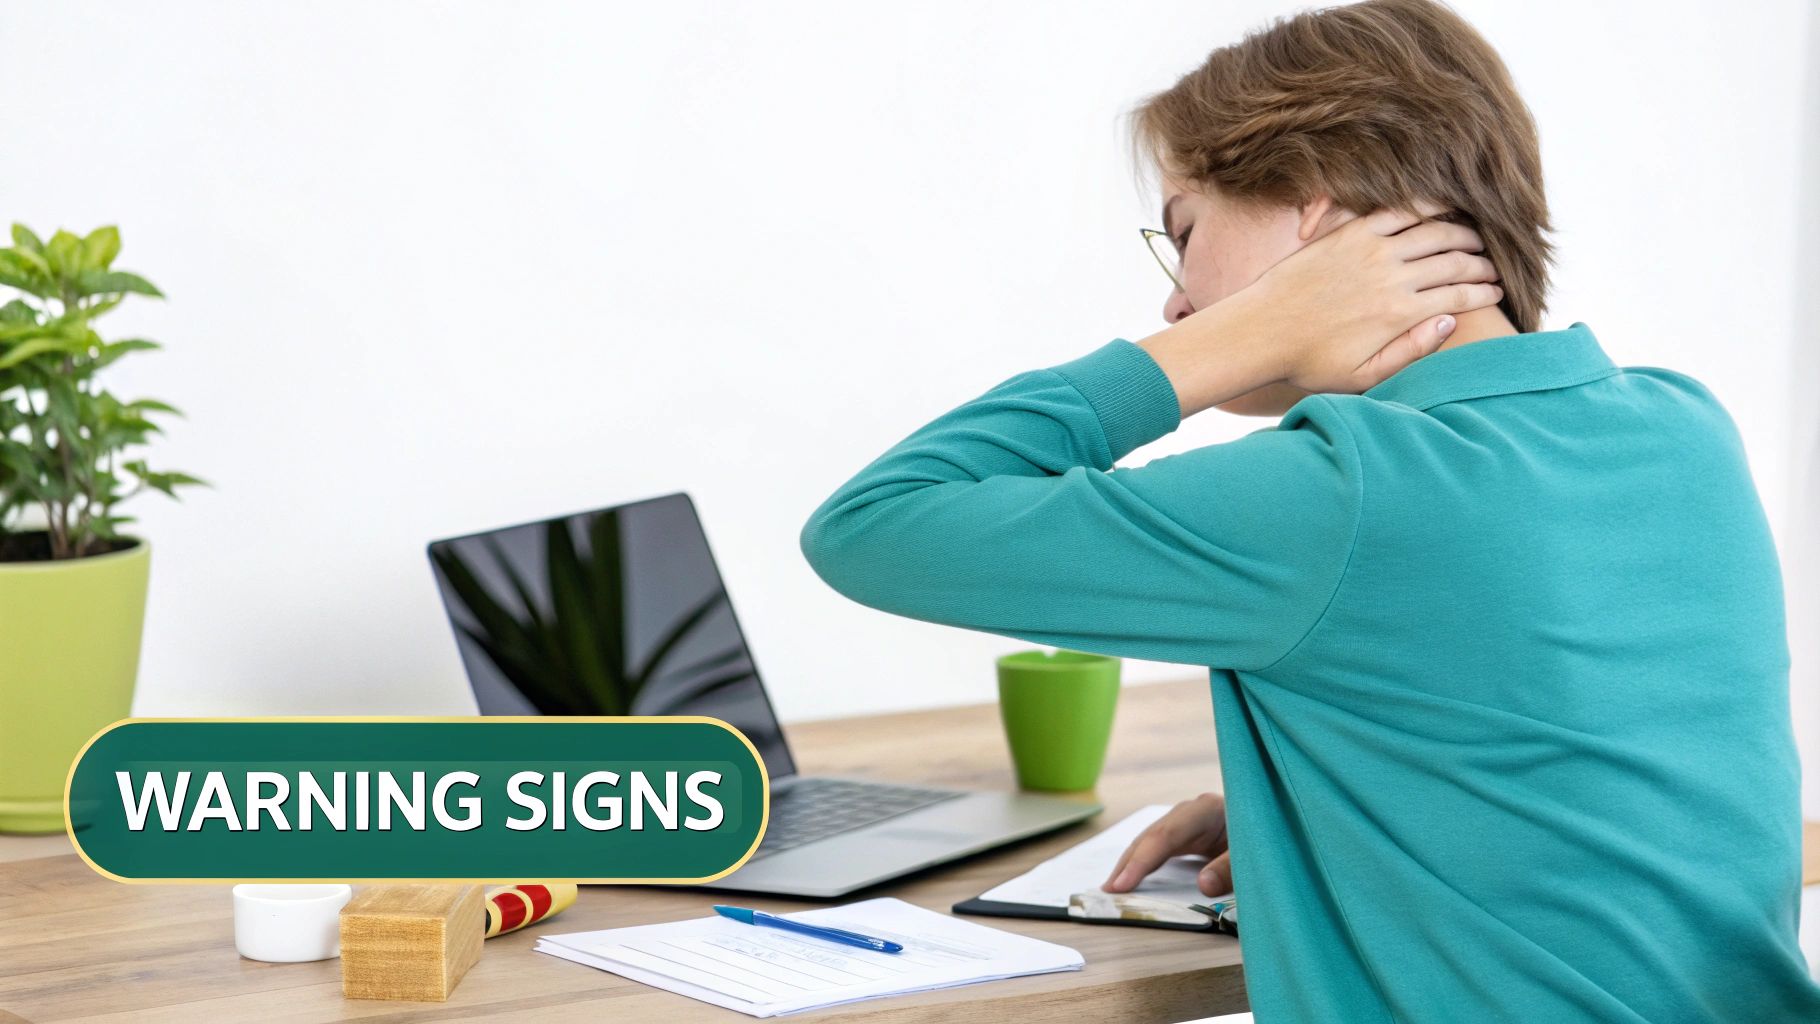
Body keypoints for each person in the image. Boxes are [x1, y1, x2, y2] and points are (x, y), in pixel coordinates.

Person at [799, 0, 1820, 1020]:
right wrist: (1338, 811)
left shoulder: (1344, 486)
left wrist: (1236, 337)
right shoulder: (1683, 427)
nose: (1172, 301)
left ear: (1317, 212)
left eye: (1183, 234)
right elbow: (1585, 779)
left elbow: (874, 522)